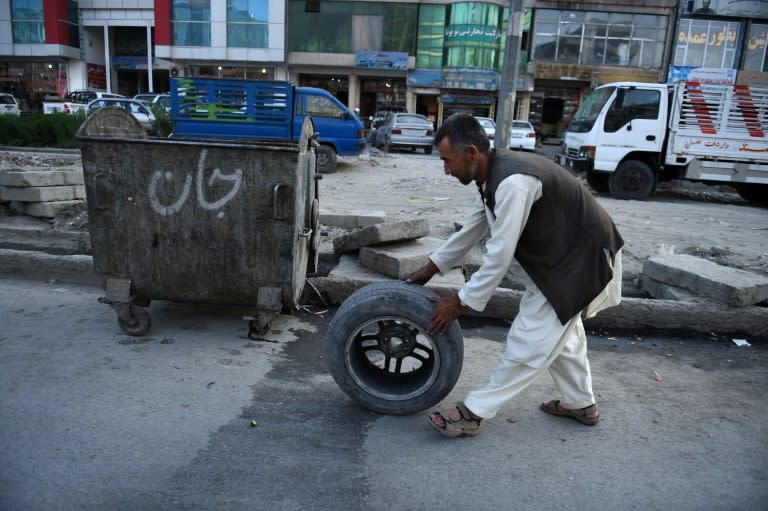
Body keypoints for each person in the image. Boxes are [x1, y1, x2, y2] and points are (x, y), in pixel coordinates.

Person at [405, 113, 624, 437]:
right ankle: (581, 404)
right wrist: (431, 268)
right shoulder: (492, 175)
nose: (446, 170)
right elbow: (474, 228)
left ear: (471, 154)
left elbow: (499, 257)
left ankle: (474, 412)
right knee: (565, 338)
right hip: (564, 263)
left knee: (528, 342)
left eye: (447, 161)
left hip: (580, 265)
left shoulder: (512, 182)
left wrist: (459, 302)